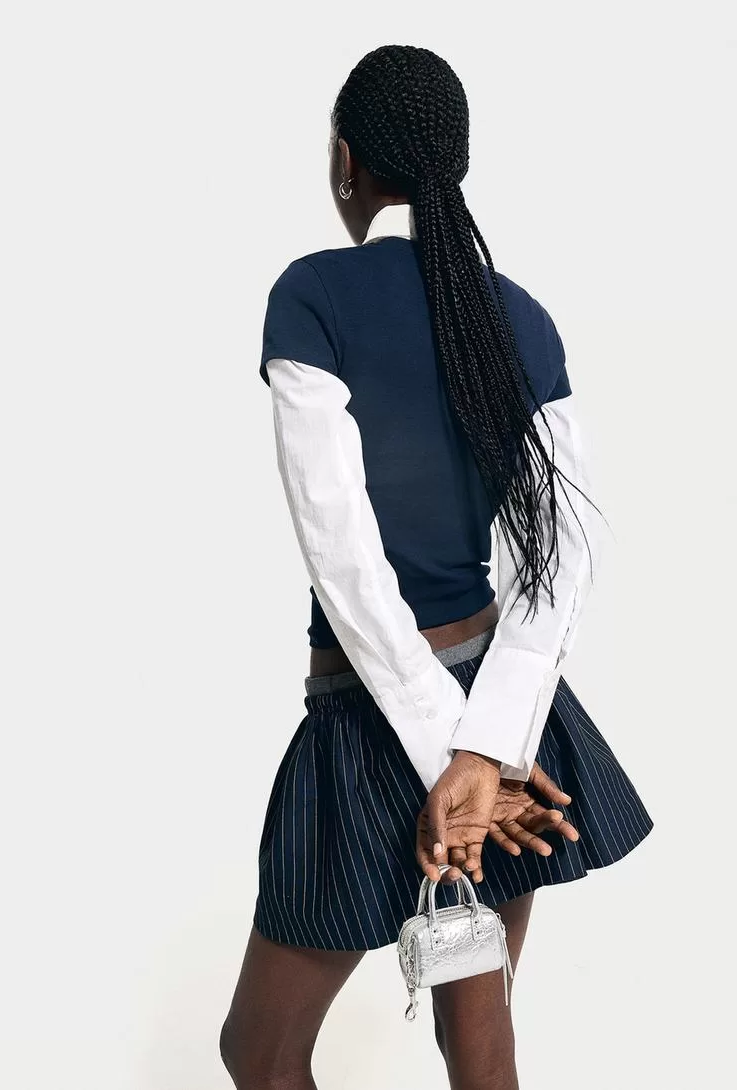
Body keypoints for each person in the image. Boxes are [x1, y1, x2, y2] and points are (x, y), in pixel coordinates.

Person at [220, 44, 653, 1090]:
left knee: (261, 1051)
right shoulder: (518, 315)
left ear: (346, 160)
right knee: (479, 1047)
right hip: (504, 723)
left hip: (372, 720)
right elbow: (567, 551)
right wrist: (484, 750)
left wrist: (441, 750)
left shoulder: (314, 297)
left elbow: (341, 546)